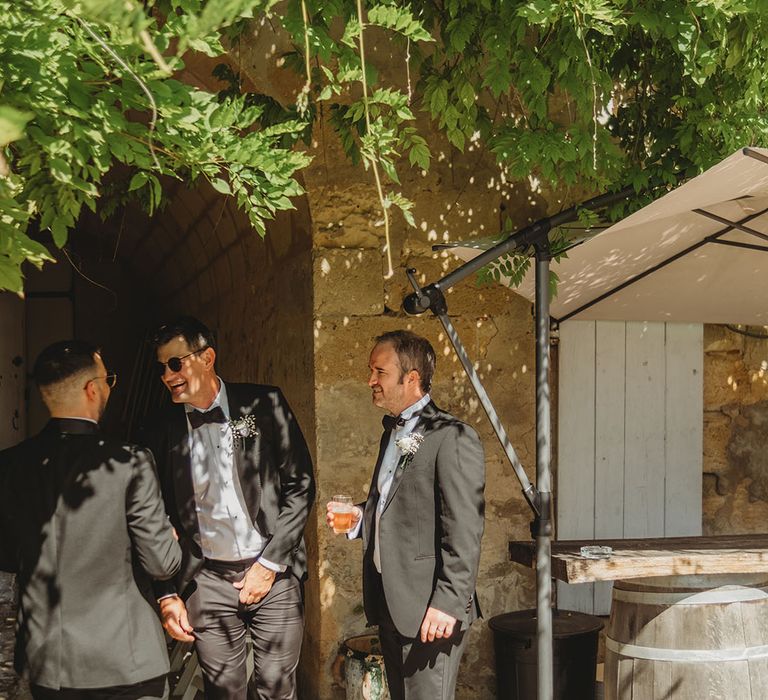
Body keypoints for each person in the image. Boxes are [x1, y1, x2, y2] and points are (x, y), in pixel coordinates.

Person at [144, 316, 315, 700]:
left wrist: (269, 567)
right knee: (223, 692)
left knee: (277, 686)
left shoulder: (264, 403)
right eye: (161, 368)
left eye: (175, 363)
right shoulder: (157, 429)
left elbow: (301, 485)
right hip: (206, 580)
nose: (167, 375)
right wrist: (167, 593)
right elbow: (151, 515)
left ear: (207, 358)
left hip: (274, 572)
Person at [0, 340, 181, 700]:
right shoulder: (131, 461)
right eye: (108, 380)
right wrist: (168, 540)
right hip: (126, 659)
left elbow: (6, 557)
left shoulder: (9, 465)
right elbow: (162, 563)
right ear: (92, 389)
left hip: (50, 662)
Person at [326, 330, 485, 700]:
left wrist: (447, 604)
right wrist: (359, 517)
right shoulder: (394, 433)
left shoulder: (453, 436)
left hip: (430, 611)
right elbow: (399, 506)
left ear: (411, 378)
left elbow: (464, 529)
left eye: (379, 372)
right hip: (392, 605)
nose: (370, 381)